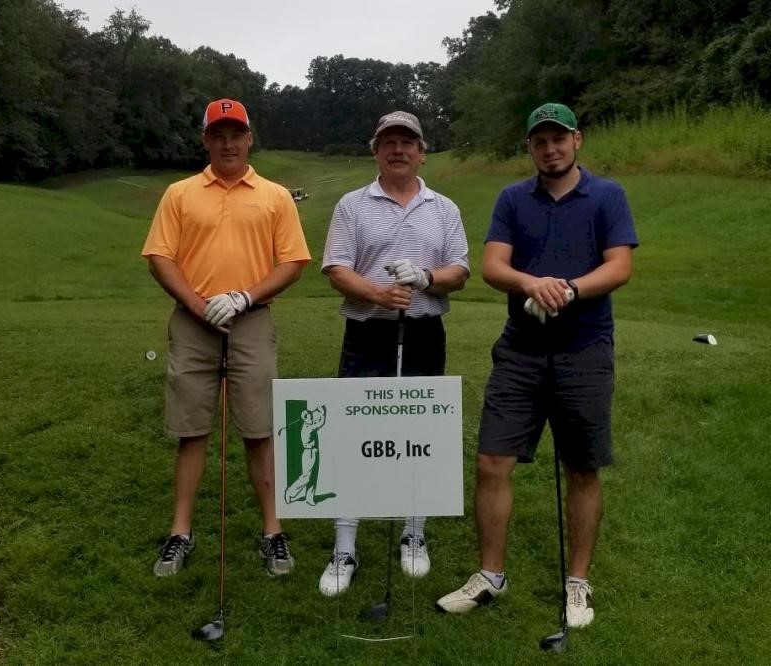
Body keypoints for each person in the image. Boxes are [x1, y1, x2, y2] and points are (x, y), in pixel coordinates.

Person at [436, 103, 638, 628]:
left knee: (582, 468)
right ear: (529, 147)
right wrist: (531, 283)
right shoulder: (511, 199)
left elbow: (619, 266)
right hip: (521, 352)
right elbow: (492, 266)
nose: (550, 148)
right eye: (539, 141)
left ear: (577, 141)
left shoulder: (608, 196)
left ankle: (577, 582)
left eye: (558, 139)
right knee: (490, 462)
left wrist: (568, 289)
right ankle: (490, 575)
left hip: (585, 352)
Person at [141, 98, 311, 578]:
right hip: (193, 323)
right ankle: (180, 533)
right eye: (218, 134)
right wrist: (199, 306)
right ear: (205, 141)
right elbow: (160, 256)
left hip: (251, 320)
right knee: (191, 429)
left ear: (250, 139)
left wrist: (243, 297)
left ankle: (273, 533)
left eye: (236, 134)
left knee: (259, 429)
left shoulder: (275, 195)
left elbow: (293, 262)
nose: (228, 143)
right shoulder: (179, 193)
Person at [319, 111, 470, 596]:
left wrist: (425, 279)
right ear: (375, 150)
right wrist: (378, 294)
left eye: (408, 142)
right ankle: (345, 545)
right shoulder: (351, 205)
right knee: (354, 434)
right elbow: (337, 267)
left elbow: (460, 270)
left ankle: (413, 532)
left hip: (425, 330)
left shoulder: (442, 207)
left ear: (422, 151)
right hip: (368, 332)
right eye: (389, 142)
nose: (398, 149)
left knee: (420, 432)